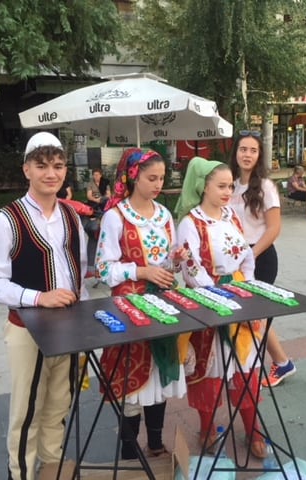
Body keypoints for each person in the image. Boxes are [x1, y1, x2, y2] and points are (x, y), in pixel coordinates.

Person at [0, 132, 87, 480]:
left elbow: (80, 270)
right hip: (27, 330)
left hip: (68, 328)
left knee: (59, 404)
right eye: (41, 166)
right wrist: (38, 297)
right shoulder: (5, 220)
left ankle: (52, 470)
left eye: (58, 166)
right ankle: (20, 474)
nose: (51, 174)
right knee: (26, 411)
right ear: (26, 170)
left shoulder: (71, 216)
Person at [94, 148, 186, 459]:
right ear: (133, 177)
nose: (158, 184)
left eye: (162, 178)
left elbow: (169, 264)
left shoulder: (164, 215)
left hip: (162, 302)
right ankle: (129, 448)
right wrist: (142, 271)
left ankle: (156, 443)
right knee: (131, 378)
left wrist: (176, 260)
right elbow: (103, 269)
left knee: (159, 373)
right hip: (130, 307)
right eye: (152, 178)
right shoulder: (115, 216)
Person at [175, 157, 266, 459]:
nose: (228, 192)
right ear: (204, 187)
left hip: (239, 295)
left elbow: (246, 255)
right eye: (221, 186)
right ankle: (207, 428)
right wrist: (217, 294)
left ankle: (252, 428)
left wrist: (248, 285)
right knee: (211, 371)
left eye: (230, 186)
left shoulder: (231, 216)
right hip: (209, 301)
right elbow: (190, 268)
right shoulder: (190, 223)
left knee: (246, 366)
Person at [229, 130, 296, 388]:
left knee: (255, 313)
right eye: (243, 149)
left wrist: (251, 255)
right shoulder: (231, 183)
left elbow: (274, 228)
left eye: (253, 150)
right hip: (235, 257)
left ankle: (278, 362)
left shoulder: (266, 186)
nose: (247, 155)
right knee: (245, 313)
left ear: (259, 155)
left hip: (261, 256)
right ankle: (258, 363)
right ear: (236, 152)